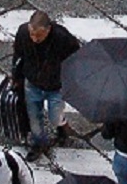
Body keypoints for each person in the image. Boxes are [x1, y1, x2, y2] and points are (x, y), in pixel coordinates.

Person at [12, 10, 80, 162]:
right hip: (32, 83)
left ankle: (61, 126)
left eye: (39, 35)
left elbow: (75, 57)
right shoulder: (23, 33)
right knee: (34, 119)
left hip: (55, 86)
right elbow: (18, 54)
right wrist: (16, 77)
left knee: (55, 116)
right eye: (32, 34)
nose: (34, 38)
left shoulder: (62, 38)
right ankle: (39, 143)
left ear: (48, 30)